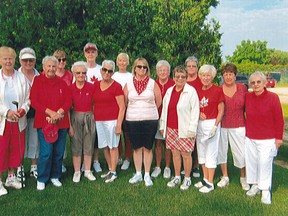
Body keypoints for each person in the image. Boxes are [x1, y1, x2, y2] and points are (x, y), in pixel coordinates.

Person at [30, 56, 72, 190]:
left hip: (61, 122)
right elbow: (34, 101)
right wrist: (50, 112)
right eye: (48, 66)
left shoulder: (61, 82)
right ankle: (42, 178)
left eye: (54, 66)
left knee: (59, 152)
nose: (51, 69)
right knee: (46, 152)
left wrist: (58, 112)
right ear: (43, 67)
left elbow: (68, 101)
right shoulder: (38, 81)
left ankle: (55, 176)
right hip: (44, 122)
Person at [245, 71, 284, 205]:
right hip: (250, 137)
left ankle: (265, 190)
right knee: (252, 162)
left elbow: (279, 119)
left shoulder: (273, 97)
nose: (256, 85)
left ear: (264, 83)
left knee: (264, 164)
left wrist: (278, 138)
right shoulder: (248, 97)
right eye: (253, 82)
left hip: (267, 138)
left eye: (258, 82)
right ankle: (255, 184)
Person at [160, 66, 199, 190]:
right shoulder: (169, 91)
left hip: (185, 128)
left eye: (183, 77)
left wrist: (192, 128)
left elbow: (195, 111)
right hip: (171, 128)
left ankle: (187, 178)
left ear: (186, 78)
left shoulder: (191, 91)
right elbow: (165, 110)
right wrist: (162, 125)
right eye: (177, 76)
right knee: (175, 153)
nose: (180, 79)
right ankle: (177, 176)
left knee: (186, 154)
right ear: (174, 77)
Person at [124, 57, 162, 187]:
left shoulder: (152, 83)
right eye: (139, 66)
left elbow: (159, 100)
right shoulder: (128, 84)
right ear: (134, 68)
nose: (142, 69)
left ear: (147, 69)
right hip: (132, 119)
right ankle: (138, 173)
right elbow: (125, 102)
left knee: (147, 147)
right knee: (136, 148)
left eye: (144, 67)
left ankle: (147, 174)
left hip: (150, 120)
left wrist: (148, 110)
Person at [0, 46, 30, 196]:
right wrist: (7, 112)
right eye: (5, 58)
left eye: (10, 58)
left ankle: (11, 177)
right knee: (1, 150)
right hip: (3, 122)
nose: (8, 61)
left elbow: (28, 99)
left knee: (15, 149)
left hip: (18, 121)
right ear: (0, 60)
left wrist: (22, 110)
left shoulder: (21, 77)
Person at [217, 63, 249, 190]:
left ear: (235, 76)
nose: (228, 77)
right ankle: (225, 177)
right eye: (226, 74)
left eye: (231, 74)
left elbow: (248, 107)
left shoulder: (242, 88)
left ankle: (243, 177)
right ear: (223, 76)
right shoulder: (218, 89)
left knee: (241, 153)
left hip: (239, 125)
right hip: (223, 125)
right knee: (221, 151)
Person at [93, 60, 125, 183]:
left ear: (112, 72)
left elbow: (122, 107)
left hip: (112, 121)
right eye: (104, 70)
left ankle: (114, 172)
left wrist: (118, 125)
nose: (106, 73)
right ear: (101, 71)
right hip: (99, 120)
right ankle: (111, 168)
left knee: (113, 146)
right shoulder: (96, 85)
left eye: (109, 71)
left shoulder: (117, 86)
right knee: (104, 146)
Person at [194, 64, 224, 193]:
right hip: (200, 124)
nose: (205, 78)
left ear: (212, 76)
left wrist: (215, 125)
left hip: (212, 123)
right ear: (200, 76)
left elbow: (221, 110)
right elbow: (195, 107)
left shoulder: (217, 90)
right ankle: (205, 179)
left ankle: (211, 183)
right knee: (201, 152)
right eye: (203, 75)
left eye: (208, 75)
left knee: (211, 152)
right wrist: (198, 113)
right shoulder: (197, 90)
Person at [69, 61, 96, 183]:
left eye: (83, 73)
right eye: (78, 72)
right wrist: (70, 126)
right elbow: (68, 109)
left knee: (88, 144)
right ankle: (76, 171)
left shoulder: (91, 87)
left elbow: (95, 104)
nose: (81, 75)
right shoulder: (70, 88)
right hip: (75, 117)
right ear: (74, 73)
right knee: (76, 145)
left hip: (89, 117)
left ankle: (87, 170)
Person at [17, 47, 40, 181]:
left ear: (35, 61)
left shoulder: (39, 75)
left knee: (34, 139)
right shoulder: (16, 75)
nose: (28, 63)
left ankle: (33, 167)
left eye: (31, 60)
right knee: (20, 140)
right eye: (25, 60)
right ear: (20, 61)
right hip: (20, 111)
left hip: (36, 111)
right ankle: (19, 167)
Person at [151, 60, 174, 179]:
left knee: (168, 144)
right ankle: (158, 166)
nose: (163, 72)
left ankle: (168, 167)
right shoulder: (152, 84)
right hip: (155, 117)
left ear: (169, 72)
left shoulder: (174, 84)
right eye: (160, 70)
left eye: (165, 70)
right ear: (157, 72)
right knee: (158, 143)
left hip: (170, 118)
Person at [112, 53, 133, 170]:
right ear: (117, 62)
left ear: (128, 62)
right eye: (120, 60)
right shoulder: (113, 76)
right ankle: (119, 155)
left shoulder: (131, 76)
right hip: (116, 109)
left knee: (127, 135)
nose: (122, 63)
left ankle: (128, 157)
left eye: (124, 60)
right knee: (117, 134)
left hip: (129, 108)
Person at [83, 42, 102, 173]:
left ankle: (95, 161)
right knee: (83, 136)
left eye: (93, 52)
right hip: (82, 107)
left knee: (95, 135)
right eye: (88, 52)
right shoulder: (80, 67)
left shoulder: (101, 69)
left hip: (97, 107)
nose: (90, 54)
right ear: (85, 54)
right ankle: (84, 162)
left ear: (96, 53)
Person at [53, 49, 73, 173]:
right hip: (52, 110)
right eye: (58, 60)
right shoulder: (49, 73)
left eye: (63, 60)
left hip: (67, 109)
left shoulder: (70, 75)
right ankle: (51, 162)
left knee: (63, 138)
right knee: (51, 136)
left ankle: (60, 162)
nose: (61, 62)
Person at [184, 56, 202, 178]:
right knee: (185, 141)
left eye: (193, 66)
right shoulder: (182, 81)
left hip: (198, 115)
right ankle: (185, 167)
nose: (191, 68)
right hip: (184, 116)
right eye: (189, 66)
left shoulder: (201, 81)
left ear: (197, 68)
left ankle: (196, 166)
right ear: (185, 68)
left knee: (196, 143)